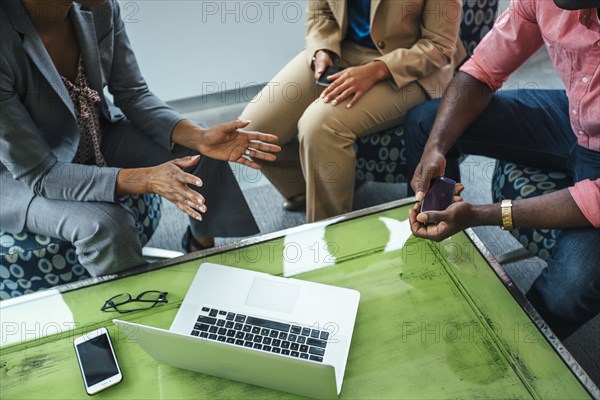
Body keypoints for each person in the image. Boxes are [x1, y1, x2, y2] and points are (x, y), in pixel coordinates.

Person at [0, 0, 281, 277]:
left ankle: (200, 245)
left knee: (198, 150)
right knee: (108, 226)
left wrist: (200, 136)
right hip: (21, 177)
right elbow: (41, 173)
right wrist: (147, 178)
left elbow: (133, 93)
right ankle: (128, 308)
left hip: (96, 134)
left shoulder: (100, 7)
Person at [405, 0, 599, 339]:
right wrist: (436, 148)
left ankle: (512, 353)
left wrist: (482, 214)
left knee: (573, 283)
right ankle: (441, 250)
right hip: (575, 116)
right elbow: (481, 69)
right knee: (426, 124)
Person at [239, 0, 466, 222]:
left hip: (410, 68)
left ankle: (328, 238)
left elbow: (439, 46)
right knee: (252, 128)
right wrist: (322, 48)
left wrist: (377, 70)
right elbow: (321, 9)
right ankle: (311, 190)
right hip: (342, 49)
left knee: (320, 125)